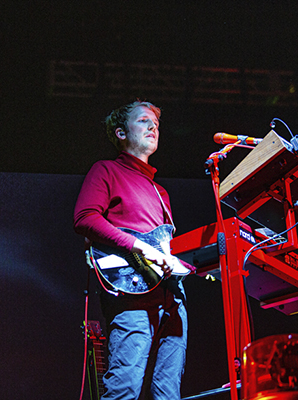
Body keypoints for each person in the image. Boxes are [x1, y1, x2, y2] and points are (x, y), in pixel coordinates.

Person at [73, 100, 193, 400]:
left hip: (171, 295)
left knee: (169, 393)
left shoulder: (160, 191)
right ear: (121, 133)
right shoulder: (106, 170)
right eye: (143, 120)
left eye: (156, 123)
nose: (153, 126)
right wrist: (141, 247)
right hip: (132, 292)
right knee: (124, 388)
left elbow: (164, 245)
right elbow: (85, 218)